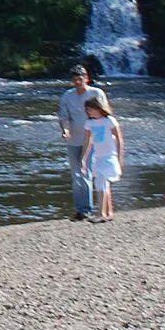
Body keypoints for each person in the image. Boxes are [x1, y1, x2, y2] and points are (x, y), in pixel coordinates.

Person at [57, 65, 103, 220]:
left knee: (85, 173)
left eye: (80, 79)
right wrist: (65, 130)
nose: (77, 82)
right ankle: (79, 209)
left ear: (87, 78)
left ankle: (87, 209)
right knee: (76, 176)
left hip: (91, 141)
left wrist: (101, 140)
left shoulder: (96, 93)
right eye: (75, 79)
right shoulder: (67, 96)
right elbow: (63, 116)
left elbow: (104, 116)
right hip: (73, 141)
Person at [81, 92, 125, 222]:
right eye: (87, 110)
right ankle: (107, 213)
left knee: (100, 182)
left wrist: (119, 157)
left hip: (110, 156)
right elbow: (87, 141)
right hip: (98, 157)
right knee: (102, 183)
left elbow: (119, 139)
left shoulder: (109, 121)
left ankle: (101, 213)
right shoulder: (89, 123)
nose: (88, 112)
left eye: (90, 109)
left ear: (98, 107)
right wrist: (83, 159)